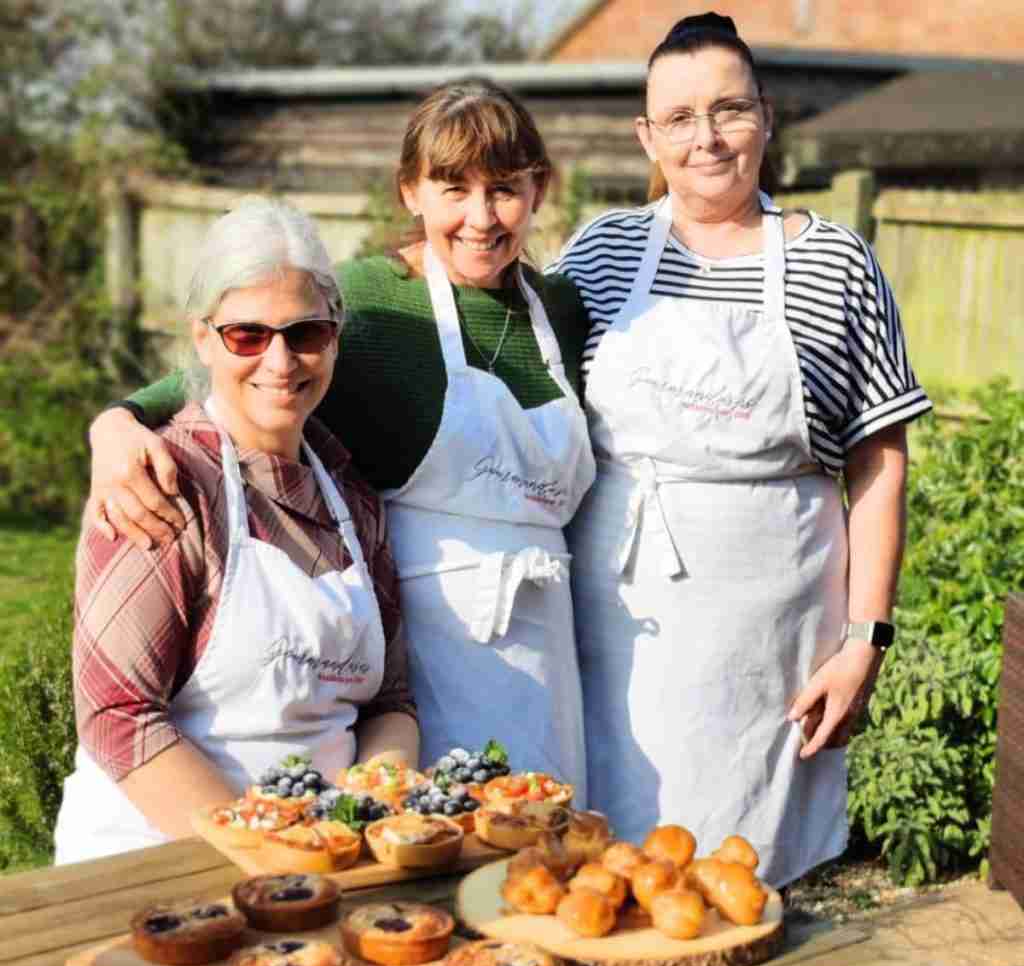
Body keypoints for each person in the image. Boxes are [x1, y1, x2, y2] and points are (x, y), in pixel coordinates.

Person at [82, 80, 596, 800]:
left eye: (504, 189)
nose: (481, 217)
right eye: (453, 189)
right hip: (433, 653)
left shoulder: (563, 312)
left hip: (549, 644)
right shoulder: (372, 301)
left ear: (539, 190)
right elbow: (225, 368)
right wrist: (112, 427)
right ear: (410, 192)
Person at [552, 13, 932, 888]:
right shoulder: (600, 253)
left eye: (727, 109)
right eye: (678, 118)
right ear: (648, 135)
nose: (706, 138)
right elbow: (509, 376)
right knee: (604, 882)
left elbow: (878, 461)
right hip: (613, 633)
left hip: (769, 645)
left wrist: (866, 638)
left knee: (745, 886)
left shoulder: (837, 264)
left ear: (765, 116)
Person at [54, 198, 416, 863]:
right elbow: (118, 717)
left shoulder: (354, 499)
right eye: (247, 335)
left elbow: (391, 702)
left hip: (321, 867)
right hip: (158, 865)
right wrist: (265, 852)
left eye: (305, 333)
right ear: (202, 338)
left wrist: (365, 813)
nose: (280, 361)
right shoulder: (161, 485)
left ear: (334, 335)